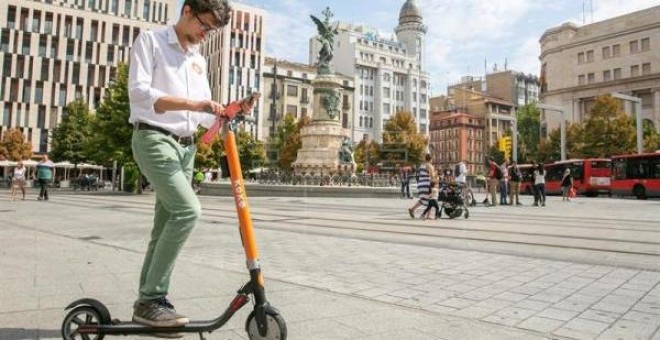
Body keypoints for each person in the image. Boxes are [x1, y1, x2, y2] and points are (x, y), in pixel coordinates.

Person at [127, 0, 232, 328]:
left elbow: (201, 117)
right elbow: (140, 93)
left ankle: (148, 303)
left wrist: (225, 112)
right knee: (189, 211)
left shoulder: (198, 59)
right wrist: (194, 103)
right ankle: (153, 296)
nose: (206, 33)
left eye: (212, 30)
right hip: (154, 138)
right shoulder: (151, 41)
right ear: (187, 10)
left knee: (164, 226)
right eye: (205, 24)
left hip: (186, 149)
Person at [408, 154, 436, 218]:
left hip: (421, 184)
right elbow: (432, 176)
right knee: (430, 199)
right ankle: (428, 216)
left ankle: (412, 209)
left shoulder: (422, 165)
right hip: (426, 184)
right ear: (431, 159)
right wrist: (434, 185)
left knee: (423, 199)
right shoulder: (429, 166)